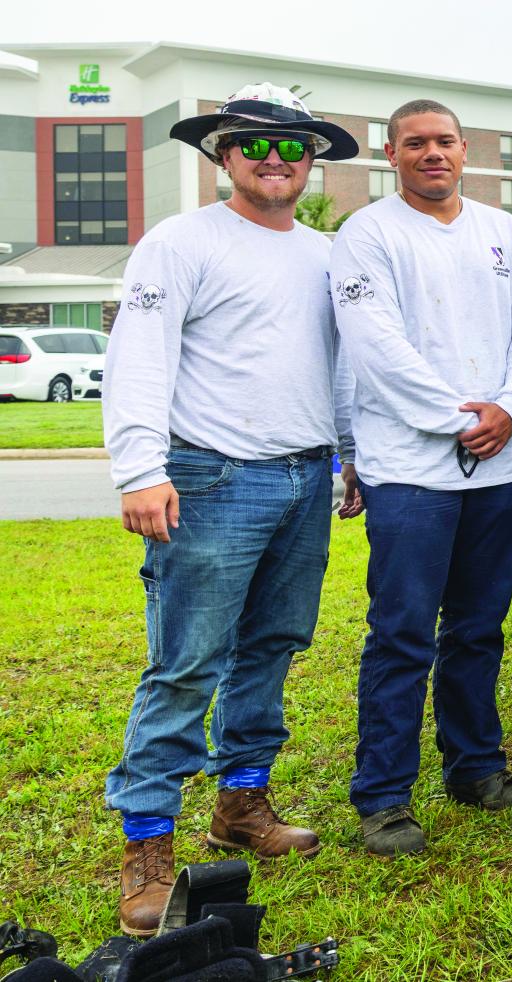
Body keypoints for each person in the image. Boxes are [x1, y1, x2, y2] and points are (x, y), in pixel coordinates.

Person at [101, 85, 361, 935]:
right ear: (222, 153)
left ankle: (243, 802)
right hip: (208, 476)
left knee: (274, 648)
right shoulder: (180, 243)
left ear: (313, 159)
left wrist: (350, 454)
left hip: (303, 476)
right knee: (186, 663)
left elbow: (341, 364)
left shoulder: (327, 255)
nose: (275, 159)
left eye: (293, 146)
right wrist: (140, 468)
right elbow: (140, 356)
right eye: (255, 145)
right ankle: (148, 843)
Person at [331, 98, 512, 857]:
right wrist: (464, 419)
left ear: (465, 150)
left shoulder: (505, 233)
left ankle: (476, 768)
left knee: (479, 630)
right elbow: (376, 348)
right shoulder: (367, 236)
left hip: (500, 464)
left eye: (445, 142)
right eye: (415, 143)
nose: (433, 154)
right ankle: (385, 799)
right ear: (389, 154)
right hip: (410, 472)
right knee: (400, 636)